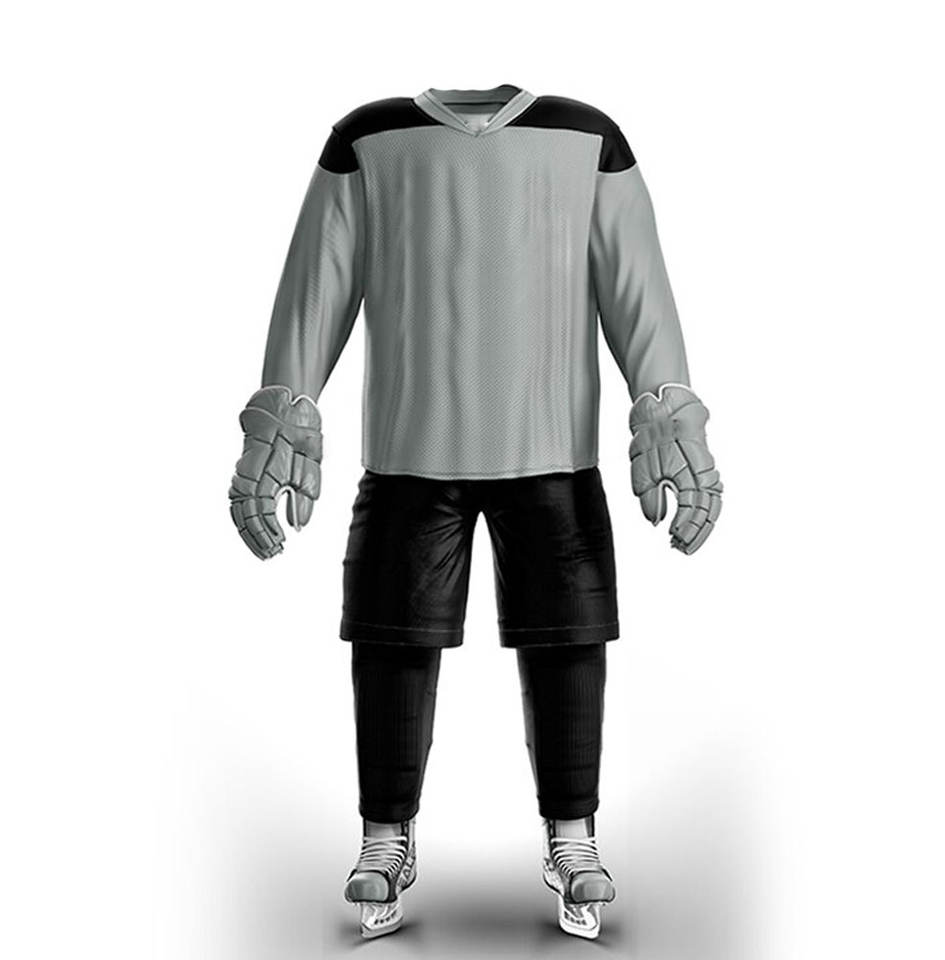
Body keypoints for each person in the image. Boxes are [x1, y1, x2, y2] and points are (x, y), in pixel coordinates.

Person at [228, 84, 723, 940]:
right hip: (410, 452)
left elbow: (635, 282)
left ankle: (574, 835)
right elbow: (319, 279)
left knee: (569, 638)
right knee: (391, 639)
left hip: (553, 449)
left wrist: (666, 403)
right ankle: (384, 837)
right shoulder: (368, 141)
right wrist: (285, 403)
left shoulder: (588, 138)